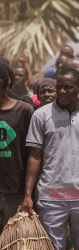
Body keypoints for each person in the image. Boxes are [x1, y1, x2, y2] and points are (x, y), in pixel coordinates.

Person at [21, 68, 79, 250]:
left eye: (68, 87)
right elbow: (35, 156)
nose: (61, 91)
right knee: (52, 247)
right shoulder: (41, 115)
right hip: (51, 197)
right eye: (59, 87)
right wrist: (28, 194)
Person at [0, 63, 34, 232]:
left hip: (15, 192)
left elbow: (33, 155)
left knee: (12, 240)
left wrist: (28, 194)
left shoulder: (24, 111)